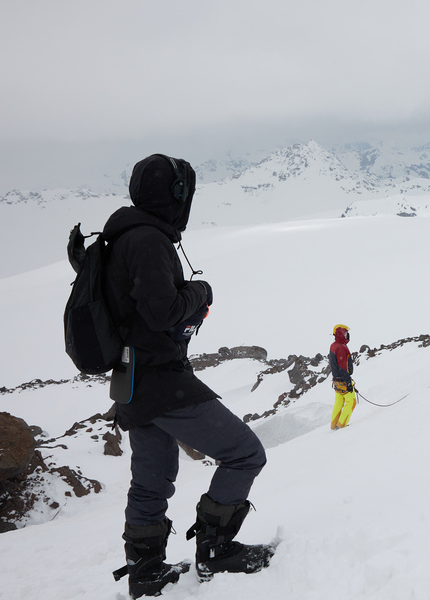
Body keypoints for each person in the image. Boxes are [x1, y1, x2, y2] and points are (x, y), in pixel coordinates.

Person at [104, 154, 273, 598]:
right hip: (161, 379)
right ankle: (216, 549)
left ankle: (145, 571)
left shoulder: (119, 236)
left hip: (131, 379)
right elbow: (161, 312)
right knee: (244, 453)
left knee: (152, 480)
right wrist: (200, 291)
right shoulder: (147, 240)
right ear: (176, 195)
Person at [329, 324, 357, 429]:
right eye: (345, 333)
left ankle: (333, 425)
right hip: (343, 381)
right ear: (341, 334)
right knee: (351, 402)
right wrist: (348, 382)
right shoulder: (341, 347)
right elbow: (342, 367)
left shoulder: (333, 345)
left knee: (339, 402)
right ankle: (341, 424)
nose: (347, 335)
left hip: (336, 381)